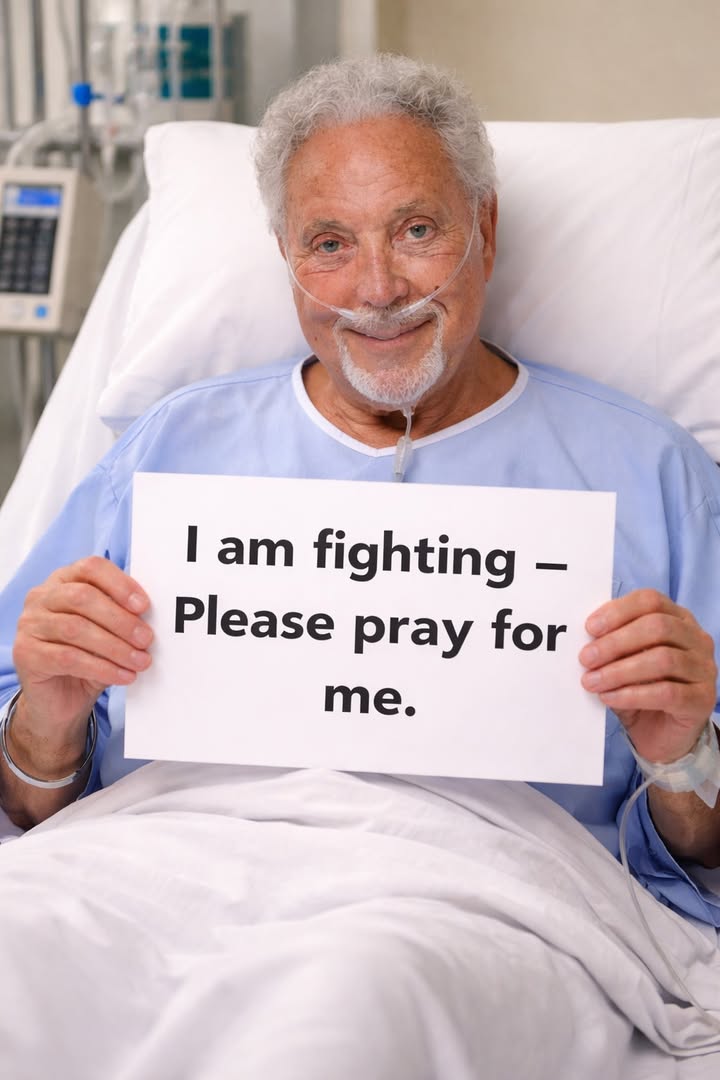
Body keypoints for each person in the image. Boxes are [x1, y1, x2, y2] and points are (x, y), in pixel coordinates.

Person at [0, 53, 718, 1077]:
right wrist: (49, 717)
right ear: (285, 258)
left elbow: (706, 850)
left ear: (485, 231)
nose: (377, 291)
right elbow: (24, 806)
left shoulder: (647, 474)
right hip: (157, 858)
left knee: (342, 1006)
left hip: (470, 890)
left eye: (417, 231)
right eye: (329, 244)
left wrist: (682, 756)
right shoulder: (169, 451)